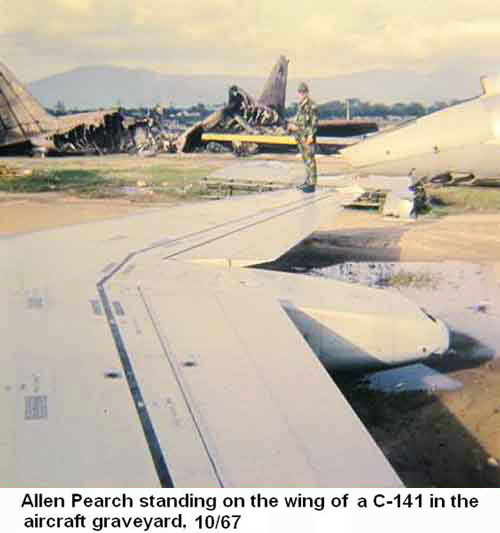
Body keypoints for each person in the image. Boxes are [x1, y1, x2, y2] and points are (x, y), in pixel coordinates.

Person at [288, 82, 318, 192]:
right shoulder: (300, 105)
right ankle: (307, 181)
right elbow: (299, 120)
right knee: (306, 160)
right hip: (300, 136)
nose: (301, 94)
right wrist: (293, 125)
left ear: (307, 92)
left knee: (310, 160)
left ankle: (312, 184)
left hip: (307, 136)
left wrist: (311, 135)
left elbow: (314, 121)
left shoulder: (311, 105)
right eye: (300, 92)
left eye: (303, 92)